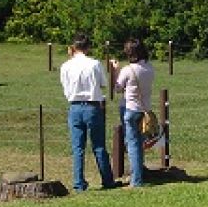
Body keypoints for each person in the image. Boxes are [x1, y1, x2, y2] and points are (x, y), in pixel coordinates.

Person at [59, 32, 117, 191]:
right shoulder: (94, 64)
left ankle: (79, 183)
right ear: (88, 47)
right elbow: (103, 83)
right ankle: (107, 180)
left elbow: (65, 88)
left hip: (74, 106)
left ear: (73, 47)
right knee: (99, 145)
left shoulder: (65, 66)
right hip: (92, 106)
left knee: (78, 148)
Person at [114, 39, 155, 188]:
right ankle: (139, 172)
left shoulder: (128, 70)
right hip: (144, 110)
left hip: (130, 108)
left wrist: (116, 71)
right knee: (139, 143)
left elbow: (117, 89)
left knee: (132, 144)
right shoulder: (149, 68)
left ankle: (136, 180)